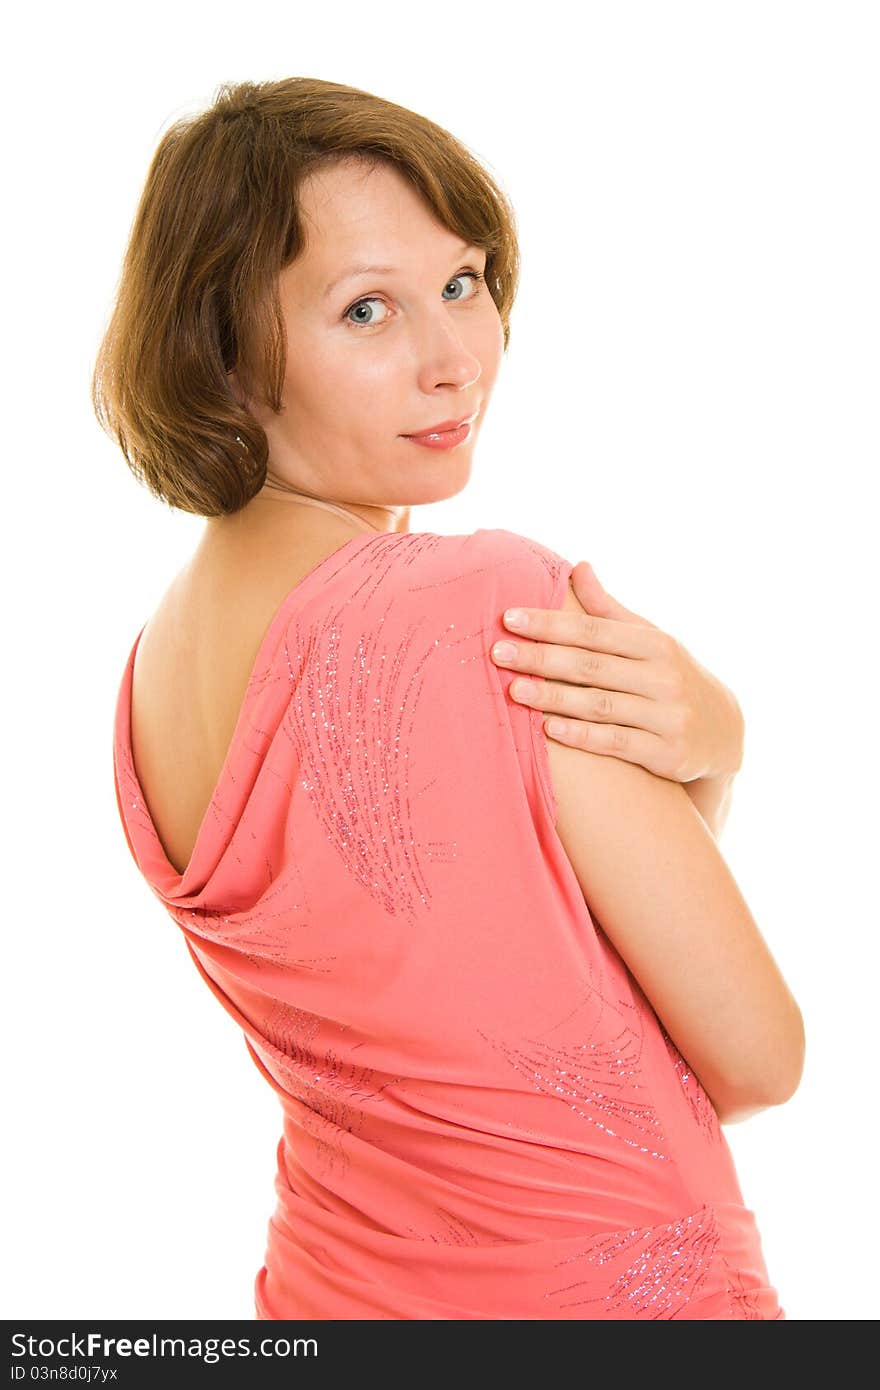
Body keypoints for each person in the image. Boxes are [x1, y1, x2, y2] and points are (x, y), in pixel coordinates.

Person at [96, 77, 803, 1320]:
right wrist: (719, 744)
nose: (452, 359)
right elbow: (751, 1053)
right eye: (365, 309)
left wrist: (704, 760)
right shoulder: (486, 603)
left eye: (464, 282)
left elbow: (507, 955)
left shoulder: (153, 664)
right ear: (224, 351)